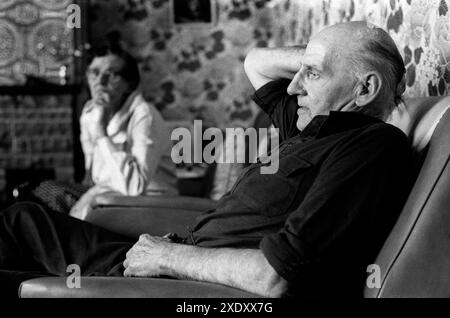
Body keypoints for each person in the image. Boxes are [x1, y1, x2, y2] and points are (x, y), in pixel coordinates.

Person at [0, 21, 413, 298]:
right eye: (300, 71)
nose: (292, 89)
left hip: (188, 284)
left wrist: (167, 258)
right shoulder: (313, 126)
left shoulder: (370, 146)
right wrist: (322, 59)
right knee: (22, 217)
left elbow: (277, 277)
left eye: (312, 74)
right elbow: (256, 62)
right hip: (171, 255)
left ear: (364, 90)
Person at [28, 44, 178, 219]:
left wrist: (101, 132)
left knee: (60, 207)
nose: (100, 81)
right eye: (94, 72)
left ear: (129, 85)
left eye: (112, 74)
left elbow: (134, 187)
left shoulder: (144, 115)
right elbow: (91, 173)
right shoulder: (90, 112)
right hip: (106, 193)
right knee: (38, 193)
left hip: (149, 201)